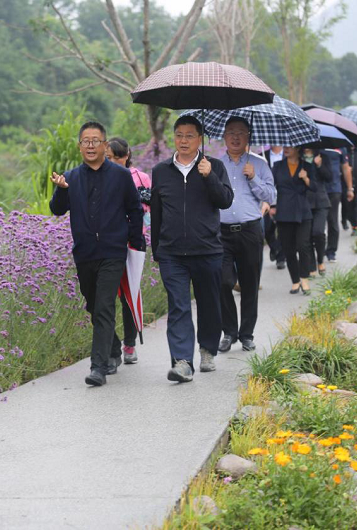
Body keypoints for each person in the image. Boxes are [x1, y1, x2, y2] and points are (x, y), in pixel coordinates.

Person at [50, 121, 145, 387]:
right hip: (84, 253)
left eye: (95, 141)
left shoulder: (120, 175)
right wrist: (61, 190)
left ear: (105, 145)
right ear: (79, 146)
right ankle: (113, 348)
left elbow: (135, 210)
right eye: (86, 141)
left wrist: (134, 242)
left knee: (104, 305)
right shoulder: (71, 177)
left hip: (113, 252)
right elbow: (57, 210)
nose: (90, 146)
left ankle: (98, 367)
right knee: (93, 305)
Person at [150, 115, 234, 383]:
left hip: (207, 250)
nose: (183, 140)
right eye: (179, 135)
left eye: (189, 136)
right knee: (178, 306)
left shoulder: (214, 166)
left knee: (209, 303)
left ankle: (207, 349)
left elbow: (225, 201)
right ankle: (182, 361)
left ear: (200, 139)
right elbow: (157, 213)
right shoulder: (161, 171)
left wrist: (209, 177)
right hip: (172, 253)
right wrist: (157, 249)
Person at [218, 118, 276, 353]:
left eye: (241, 132)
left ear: (248, 137)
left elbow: (271, 196)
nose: (235, 137)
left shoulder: (259, 164)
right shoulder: (215, 165)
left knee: (250, 284)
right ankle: (229, 332)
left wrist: (253, 178)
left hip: (250, 230)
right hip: (220, 232)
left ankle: (246, 334)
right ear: (224, 136)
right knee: (223, 282)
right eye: (231, 132)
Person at [106, 137, 151, 365]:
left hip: (133, 241)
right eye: (109, 158)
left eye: (117, 157)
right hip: (109, 242)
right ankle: (110, 344)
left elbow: (148, 210)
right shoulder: (101, 177)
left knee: (129, 294)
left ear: (127, 156)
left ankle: (130, 345)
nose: (113, 162)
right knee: (106, 295)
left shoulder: (141, 177)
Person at [271, 146, 316, 295]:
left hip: (302, 211)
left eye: (290, 146)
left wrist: (306, 178)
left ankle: (304, 278)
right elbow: (270, 186)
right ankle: (295, 280)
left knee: (303, 246)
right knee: (288, 249)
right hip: (284, 211)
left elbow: (315, 187)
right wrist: (270, 204)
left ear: (298, 148)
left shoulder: (307, 166)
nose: (286, 148)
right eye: (285, 145)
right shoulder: (277, 166)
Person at [321, 147, 353, 263]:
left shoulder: (340, 147)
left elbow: (346, 168)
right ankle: (319, 249)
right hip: (318, 188)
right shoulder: (317, 144)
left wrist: (350, 188)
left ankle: (331, 250)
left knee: (332, 220)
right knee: (318, 221)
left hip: (334, 189)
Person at [304, 148, 331, 277]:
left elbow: (329, 177)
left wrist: (319, 165)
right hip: (304, 201)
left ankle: (320, 260)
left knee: (318, 232)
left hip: (321, 201)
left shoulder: (322, 156)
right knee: (307, 236)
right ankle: (311, 266)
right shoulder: (298, 157)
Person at [263, 145, 286, 269]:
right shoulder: (263, 156)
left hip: (284, 198)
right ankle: (274, 248)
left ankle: (281, 258)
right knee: (267, 229)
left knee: (282, 229)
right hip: (266, 199)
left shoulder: (287, 155)